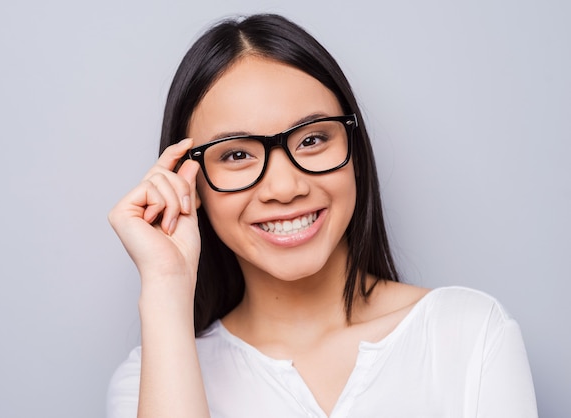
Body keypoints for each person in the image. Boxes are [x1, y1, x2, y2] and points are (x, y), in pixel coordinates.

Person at [106, 13, 538, 418]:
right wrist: (166, 284)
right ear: (190, 185)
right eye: (236, 154)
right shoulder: (152, 378)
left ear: (354, 150)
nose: (285, 187)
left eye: (312, 140)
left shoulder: (469, 334)